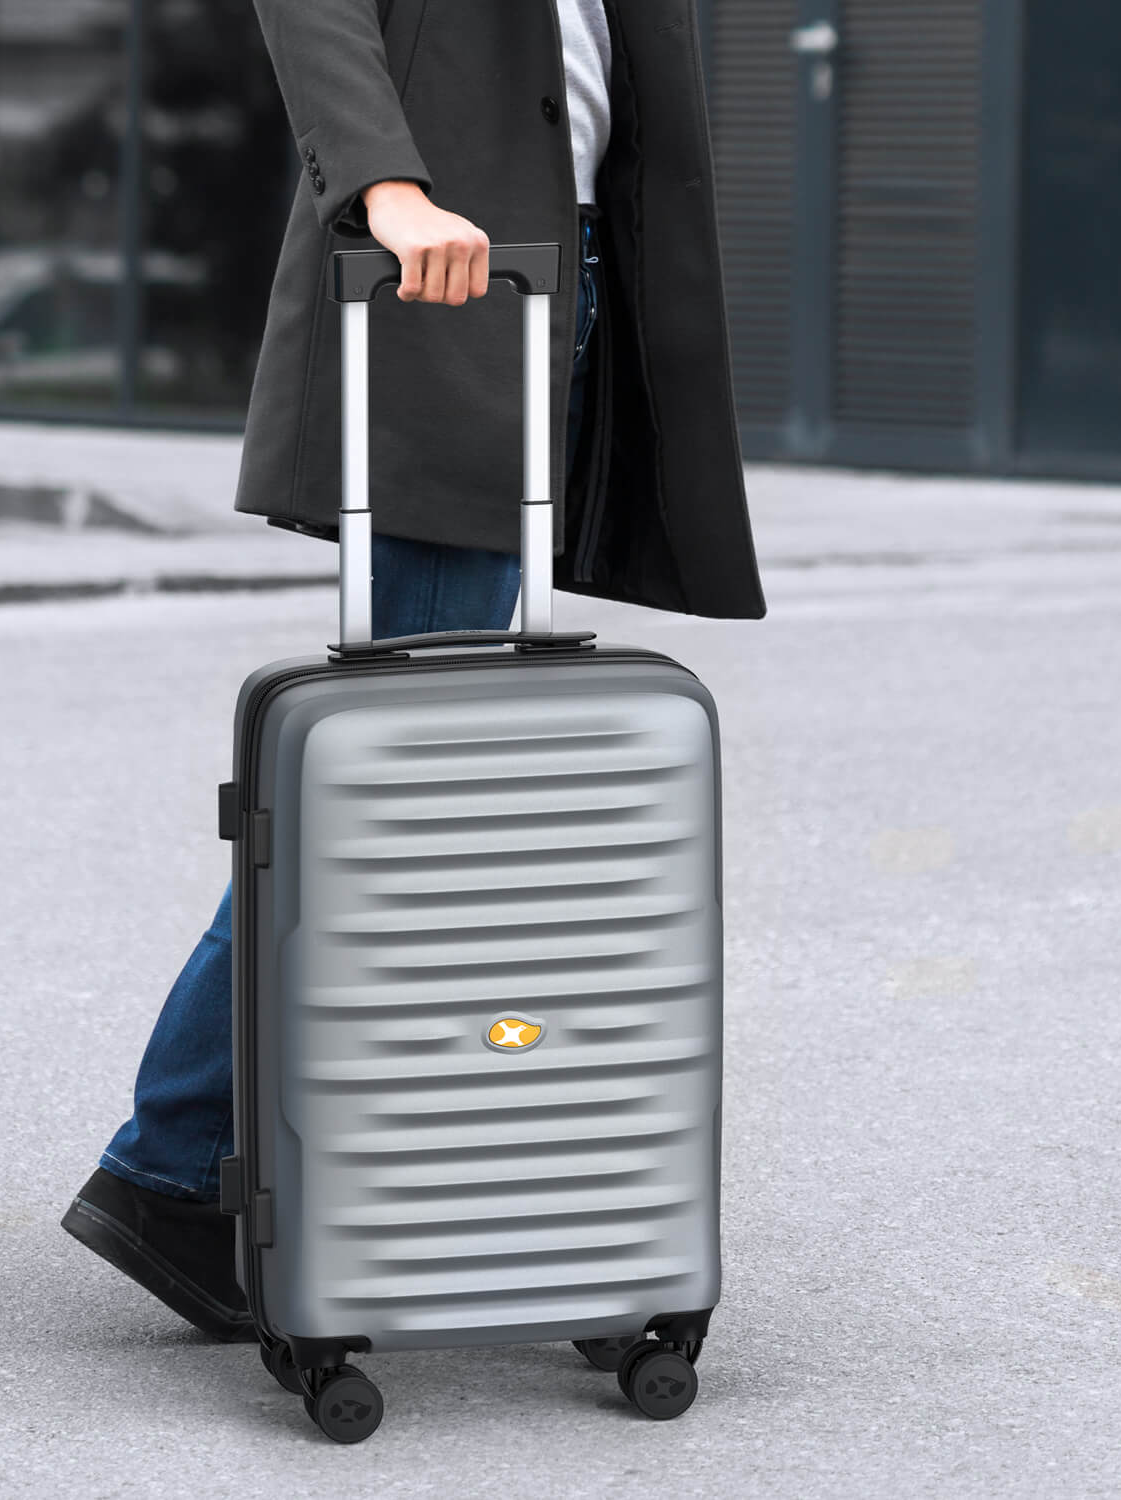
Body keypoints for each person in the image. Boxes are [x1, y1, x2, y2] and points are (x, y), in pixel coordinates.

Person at [62, 0, 766, 1339]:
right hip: (441, 289)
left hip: (557, 278)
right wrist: (388, 185)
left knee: (435, 801)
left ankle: (380, 1168)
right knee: (385, 795)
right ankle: (171, 1164)